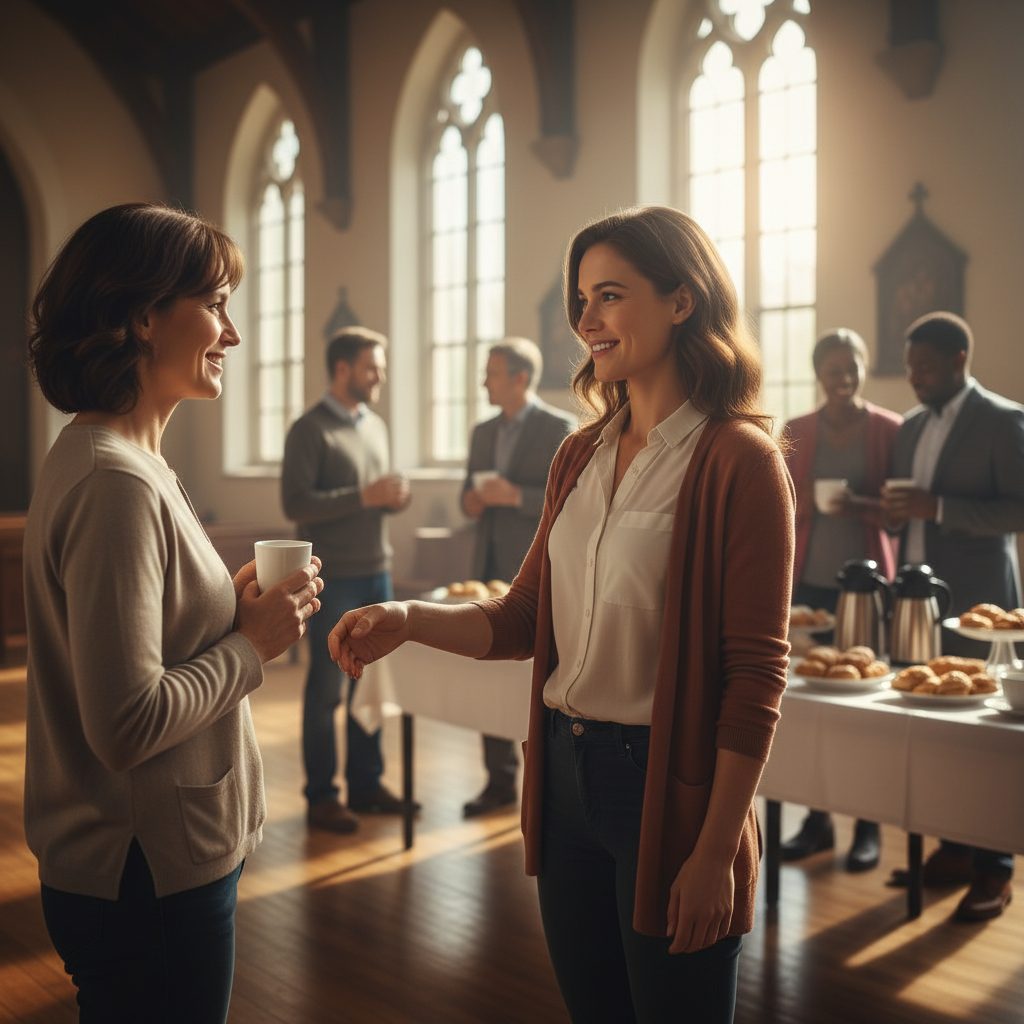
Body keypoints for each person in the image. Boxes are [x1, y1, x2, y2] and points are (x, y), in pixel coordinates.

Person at [329, 206, 794, 1023]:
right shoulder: (578, 454)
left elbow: (754, 679)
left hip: (667, 788)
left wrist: (718, 848)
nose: (585, 321)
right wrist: (407, 616)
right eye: (582, 300)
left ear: (682, 300)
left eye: (609, 296)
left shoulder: (738, 461)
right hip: (565, 778)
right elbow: (521, 618)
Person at [22, 203, 323, 1023]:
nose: (230, 333)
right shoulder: (113, 479)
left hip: (149, 864)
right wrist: (253, 646)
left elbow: (149, 630)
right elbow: (124, 723)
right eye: (216, 304)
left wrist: (230, 610)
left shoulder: (129, 459)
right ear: (144, 317)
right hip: (140, 871)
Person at [882, 311, 1024, 921]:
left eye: (925, 368)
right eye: (910, 367)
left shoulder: (1003, 420)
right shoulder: (910, 427)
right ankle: (952, 848)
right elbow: (904, 504)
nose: (913, 378)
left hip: (979, 603)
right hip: (920, 602)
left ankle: (996, 868)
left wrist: (935, 507)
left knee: (984, 742)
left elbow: (1018, 508)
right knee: (935, 734)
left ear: (960, 360)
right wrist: (891, 516)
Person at [779, 329, 902, 871]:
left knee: (863, 710)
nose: (843, 378)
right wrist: (799, 499)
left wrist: (862, 506)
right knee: (810, 709)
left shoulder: (888, 431)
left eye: (851, 368)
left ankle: (867, 826)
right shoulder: (797, 431)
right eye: (833, 369)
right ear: (818, 373)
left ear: (863, 369)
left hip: (867, 591)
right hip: (807, 589)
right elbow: (775, 507)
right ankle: (816, 822)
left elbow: (900, 514)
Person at [282, 327, 413, 834]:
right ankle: (321, 796)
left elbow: (372, 495)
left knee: (370, 682)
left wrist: (390, 498)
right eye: (371, 366)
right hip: (332, 579)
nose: (379, 375)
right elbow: (296, 505)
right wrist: (365, 495)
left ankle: (367, 785)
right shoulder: (308, 430)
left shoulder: (374, 426)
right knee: (326, 691)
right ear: (342, 369)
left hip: (377, 571)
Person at [460, 337, 574, 818]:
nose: (484, 381)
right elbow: (467, 496)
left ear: (520, 379)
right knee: (489, 673)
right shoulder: (482, 432)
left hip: (540, 570)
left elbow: (569, 502)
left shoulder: (560, 429)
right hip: (487, 569)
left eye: (493, 372)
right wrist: (476, 500)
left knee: (540, 675)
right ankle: (498, 779)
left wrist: (516, 498)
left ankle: (546, 783)